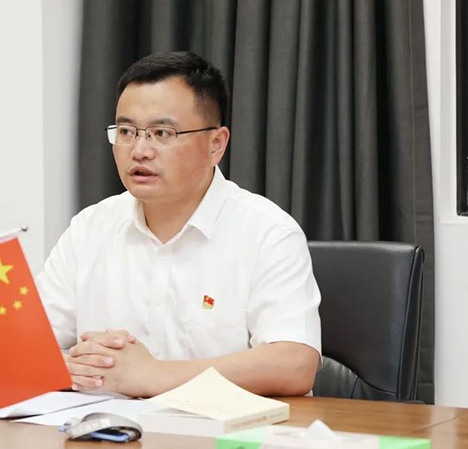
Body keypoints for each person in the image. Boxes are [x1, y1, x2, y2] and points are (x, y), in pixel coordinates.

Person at [37, 51, 321, 398]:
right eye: (126, 131)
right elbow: (25, 346)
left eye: (162, 133)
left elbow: (294, 364)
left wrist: (154, 376)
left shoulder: (268, 232)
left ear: (216, 144)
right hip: (107, 425)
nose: (139, 150)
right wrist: (76, 367)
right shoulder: (90, 228)